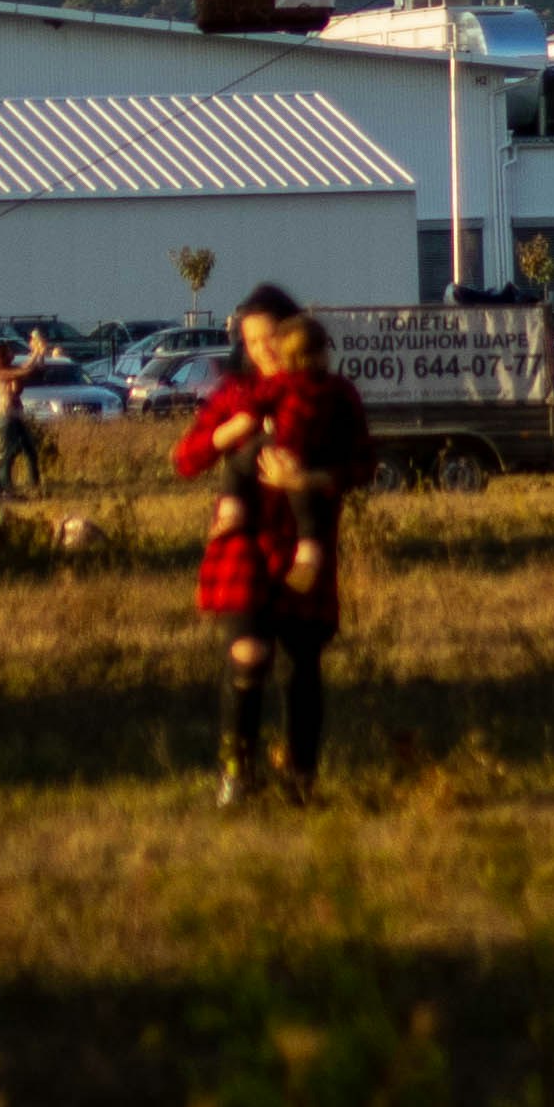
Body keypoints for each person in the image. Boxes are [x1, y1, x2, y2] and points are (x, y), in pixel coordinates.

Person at [173, 283, 376, 805]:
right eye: (251, 340)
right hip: (243, 547)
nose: (261, 350)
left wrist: (310, 483)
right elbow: (186, 459)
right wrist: (231, 432)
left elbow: (363, 466)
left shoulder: (334, 395)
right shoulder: (236, 394)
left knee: (302, 664)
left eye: (270, 338)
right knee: (249, 653)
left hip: (304, 546)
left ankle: (300, 779)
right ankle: (237, 775)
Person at [0, 343, 44, 499]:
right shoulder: (1, 373)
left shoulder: (11, 370)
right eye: (9, 351)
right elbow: (25, 371)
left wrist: (38, 353)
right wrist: (35, 353)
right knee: (8, 453)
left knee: (30, 450)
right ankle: (5, 486)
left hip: (16, 417)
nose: (12, 353)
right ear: (2, 356)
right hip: (5, 417)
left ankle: (34, 483)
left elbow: (30, 368)